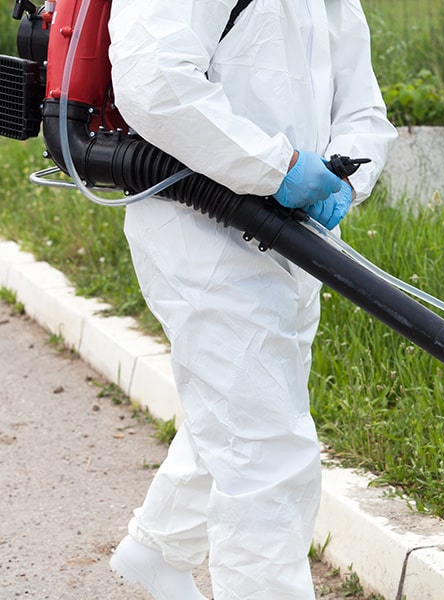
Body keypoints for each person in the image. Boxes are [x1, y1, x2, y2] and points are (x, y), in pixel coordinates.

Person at [105, 1, 396, 599]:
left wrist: (345, 179)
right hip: (199, 231)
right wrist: (279, 166)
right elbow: (151, 75)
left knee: (248, 406)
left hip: (296, 239)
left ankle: (157, 549)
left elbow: (363, 106)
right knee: (266, 448)